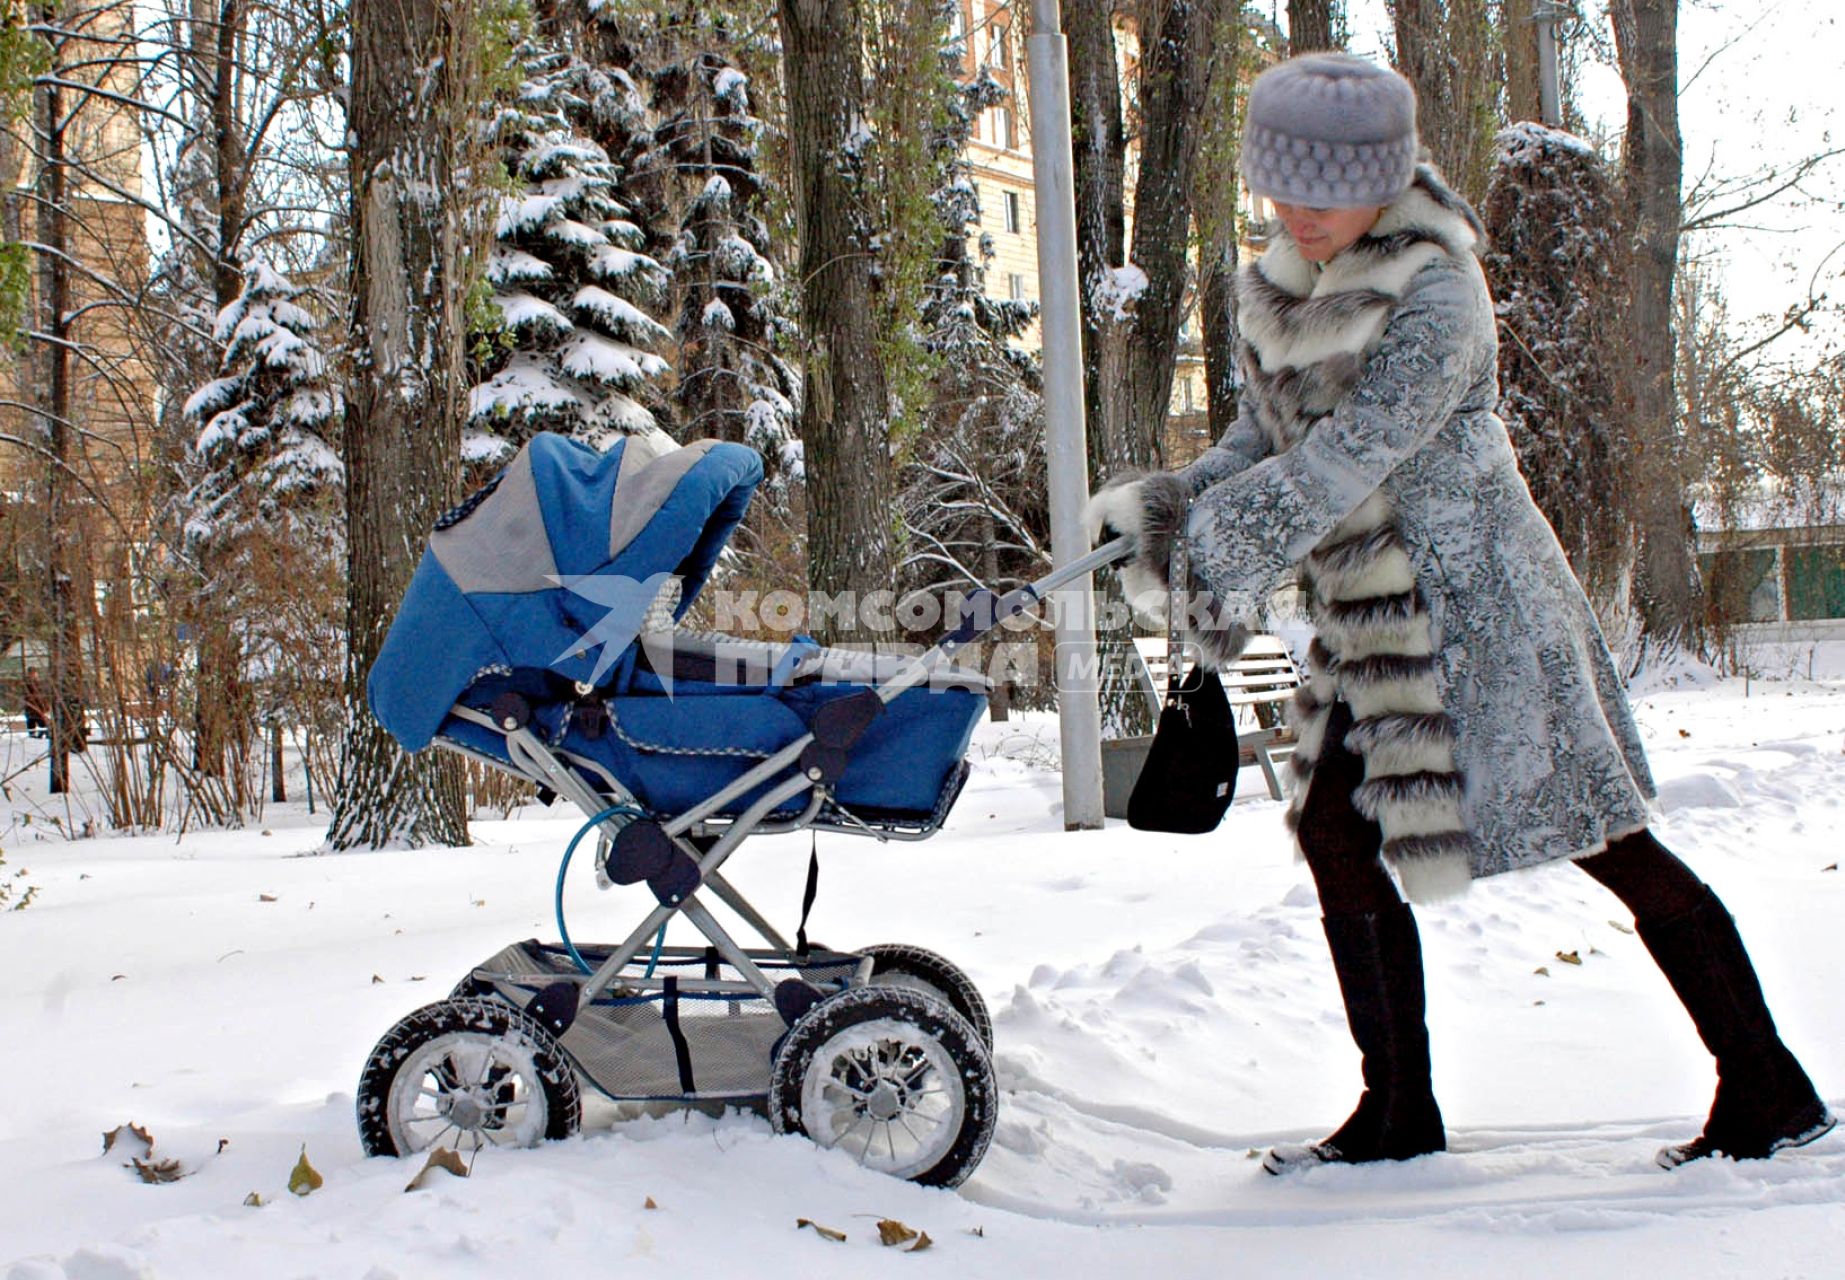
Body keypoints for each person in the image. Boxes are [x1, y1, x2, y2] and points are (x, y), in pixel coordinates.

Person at [1087, 52, 1832, 1174]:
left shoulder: (1436, 291)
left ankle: (1767, 1084)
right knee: (1335, 829)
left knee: (1607, 836)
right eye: (1280, 190)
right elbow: (1264, 441)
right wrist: (1170, 509)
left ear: (1382, 181)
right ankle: (1399, 1108)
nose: (1295, 213)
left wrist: (1217, 545)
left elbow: (1352, 453)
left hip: (1485, 608)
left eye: (1321, 192)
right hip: (1371, 617)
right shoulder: (1279, 287)